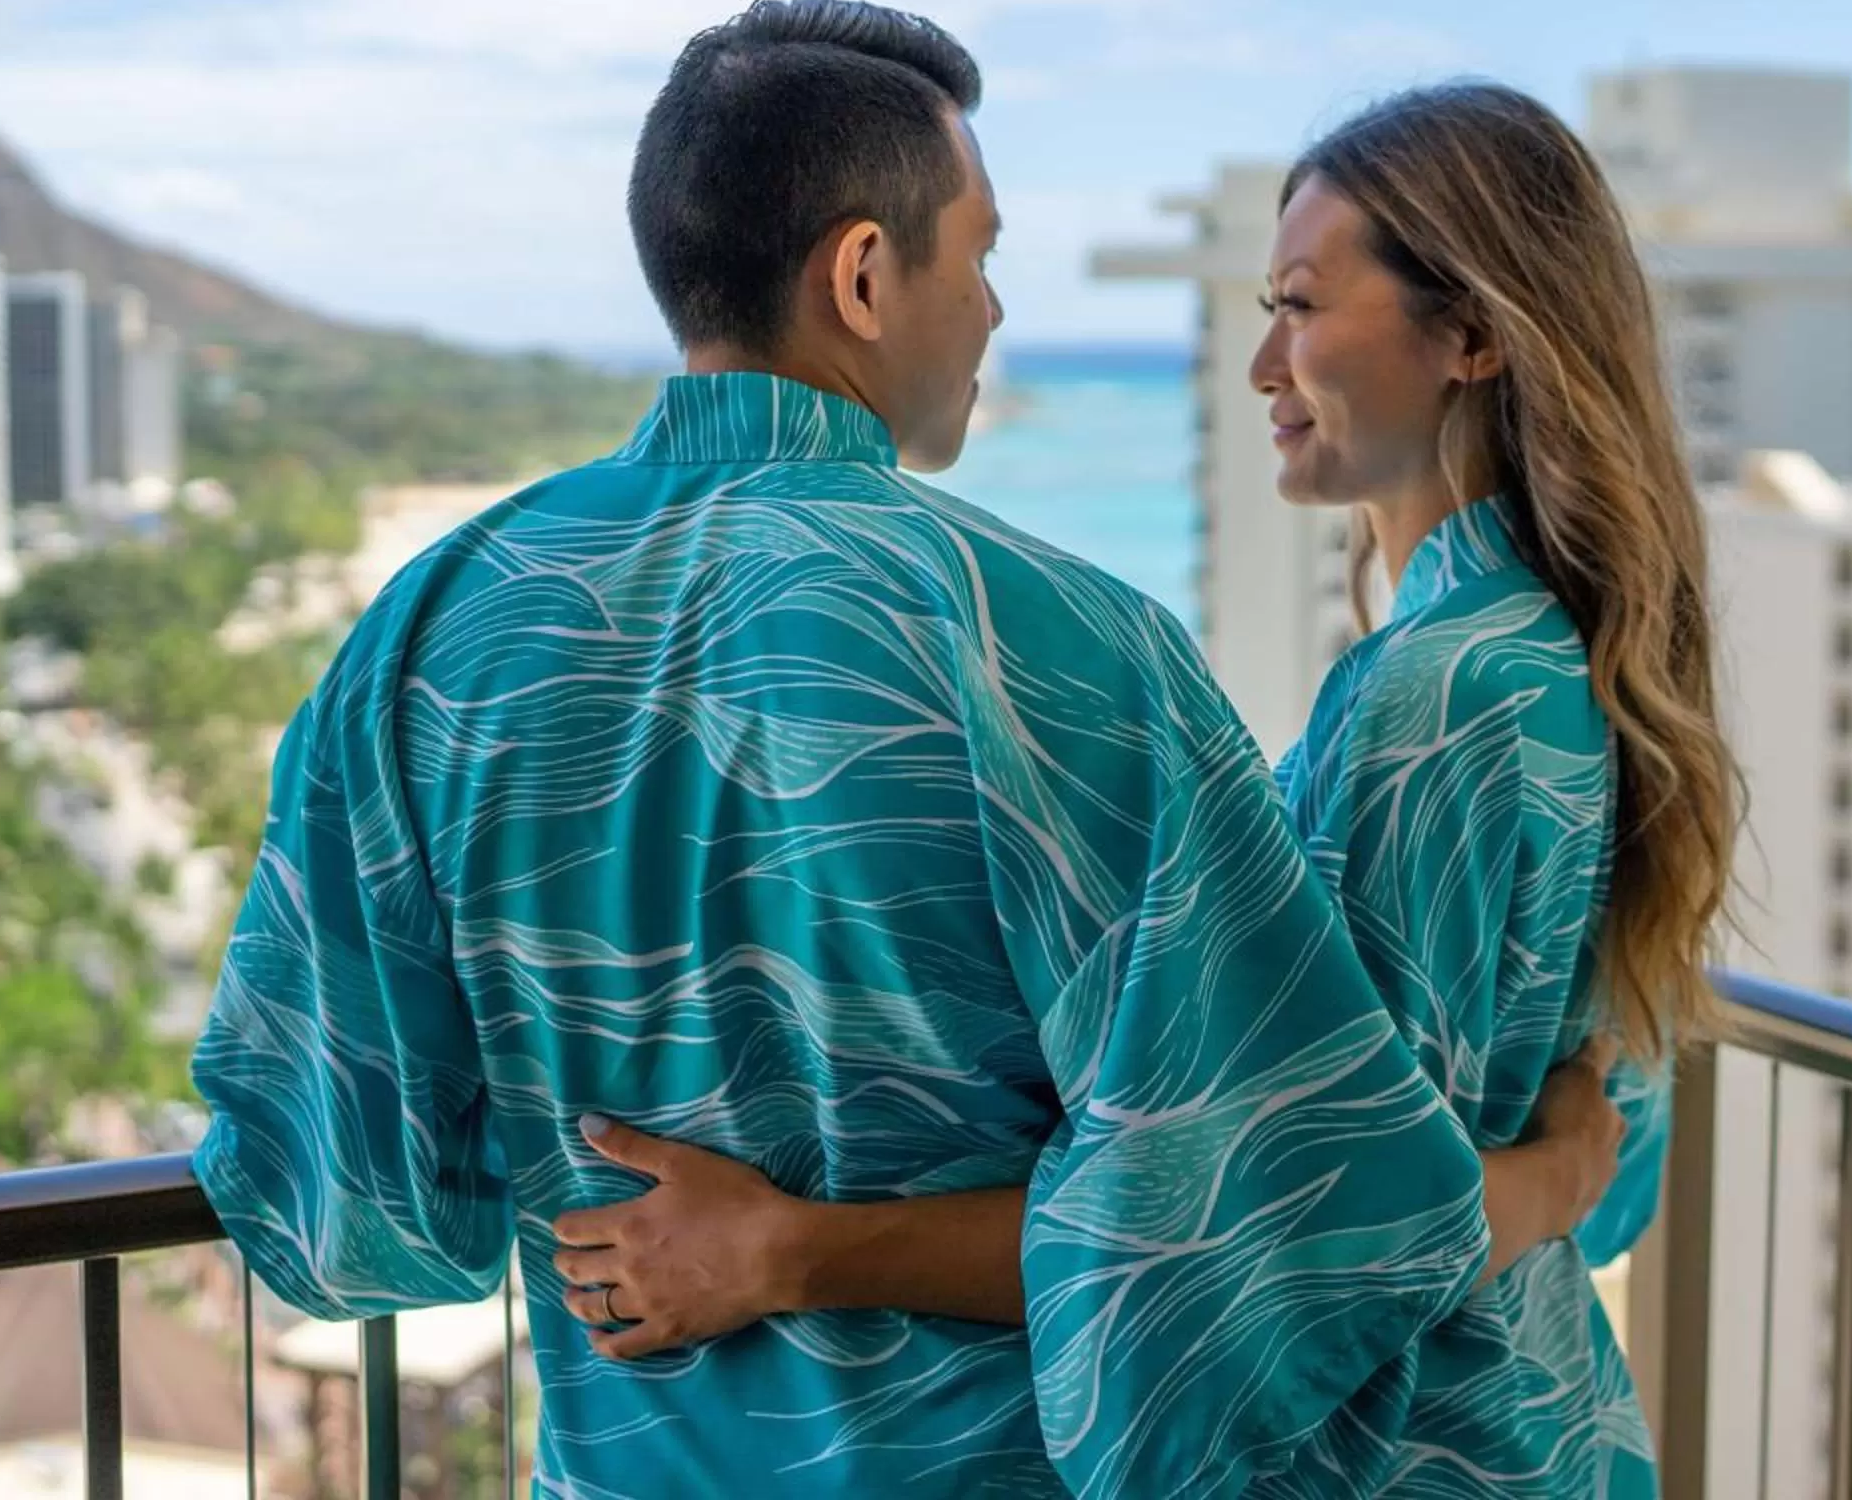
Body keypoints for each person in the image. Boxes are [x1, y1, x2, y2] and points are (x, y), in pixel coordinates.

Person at [189, 5, 1612, 1499]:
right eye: (981, 258)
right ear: (864, 275)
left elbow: (342, 1211)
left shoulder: (428, 634)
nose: (994, 312)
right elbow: (1277, 1219)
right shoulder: (1065, 652)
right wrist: (1563, 1169)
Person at [551, 80, 1738, 1495]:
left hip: (1411, 1455)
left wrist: (788, 1250)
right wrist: (1545, 1181)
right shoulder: (1550, 653)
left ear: (1474, 332)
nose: (1263, 367)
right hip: (1539, 1423)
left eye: (1301, 305)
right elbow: (1605, 1154)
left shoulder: (1438, 696)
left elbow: (1280, 1242)